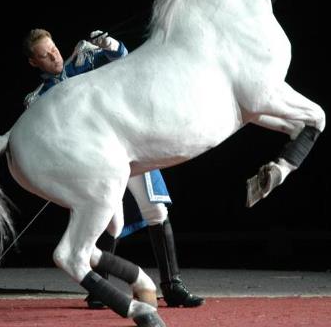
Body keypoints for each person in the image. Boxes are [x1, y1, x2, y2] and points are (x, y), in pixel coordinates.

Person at [23, 28, 204, 308]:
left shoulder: (83, 60)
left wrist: (108, 43)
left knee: (156, 211)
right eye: (44, 56)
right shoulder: (37, 100)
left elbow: (123, 61)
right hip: (93, 162)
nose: (54, 57)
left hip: (126, 142)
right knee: (108, 221)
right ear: (34, 62)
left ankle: (172, 285)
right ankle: (100, 287)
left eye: (54, 49)